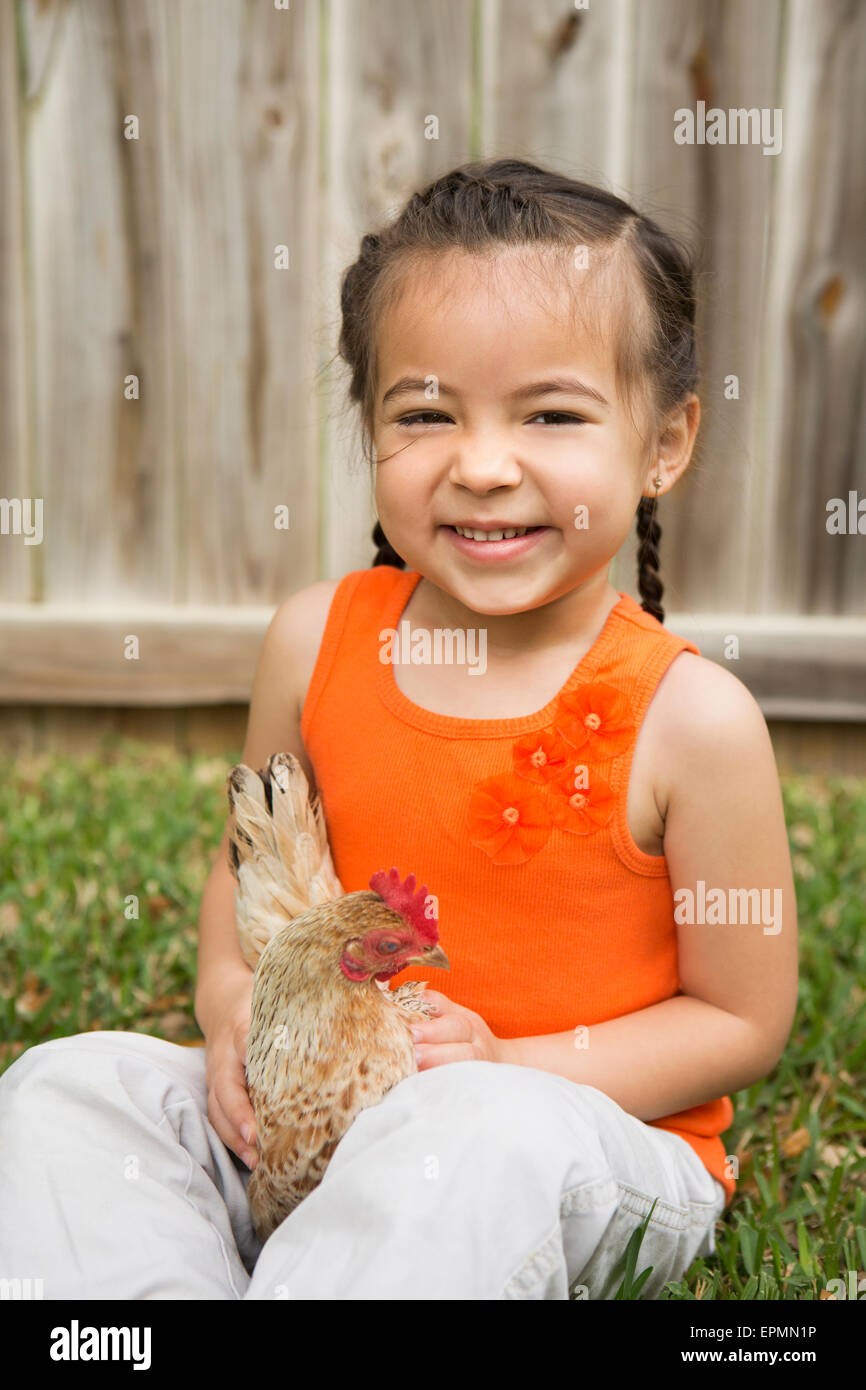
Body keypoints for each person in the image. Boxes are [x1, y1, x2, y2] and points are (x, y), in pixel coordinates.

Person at [0, 158, 798, 1300]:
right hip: (316, 1130)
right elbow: (248, 877)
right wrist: (234, 1017)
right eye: (424, 413)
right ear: (368, 425)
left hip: (578, 1142)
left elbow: (738, 1019)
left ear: (664, 443)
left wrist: (510, 1063)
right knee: (66, 1088)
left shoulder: (689, 719)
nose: (480, 465)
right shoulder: (312, 640)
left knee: (463, 1131)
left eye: (552, 413)